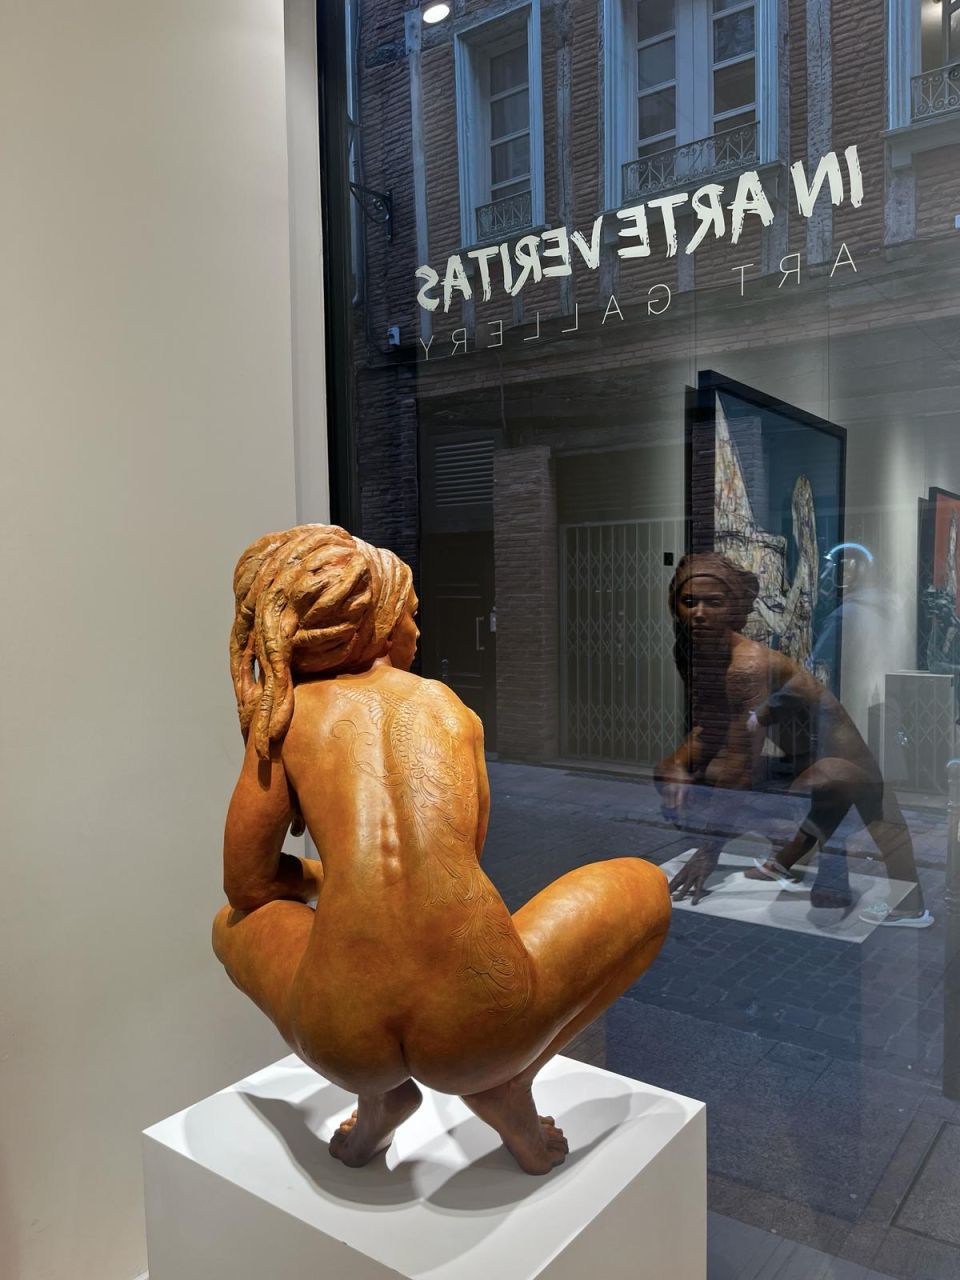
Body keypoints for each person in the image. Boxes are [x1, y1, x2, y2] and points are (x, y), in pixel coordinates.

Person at [213, 525, 671, 1175]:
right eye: (412, 614)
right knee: (646, 886)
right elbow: (456, 864)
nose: (418, 631)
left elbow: (247, 886)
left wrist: (328, 879)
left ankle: (379, 1096)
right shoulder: (447, 707)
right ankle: (508, 1080)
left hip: (340, 1035)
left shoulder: (283, 720)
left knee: (230, 927)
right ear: (380, 624)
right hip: (483, 1027)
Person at [657, 553, 932, 927]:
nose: (700, 614)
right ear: (675, 604)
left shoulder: (746, 666)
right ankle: (789, 862)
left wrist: (709, 850)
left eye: (714, 602)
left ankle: (896, 901)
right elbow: (712, 727)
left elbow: (740, 765)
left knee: (855, 804)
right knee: (692, 775)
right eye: (689, 602)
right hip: (800, 756)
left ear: (735, 608)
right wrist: (676, 767)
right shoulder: (689, 652)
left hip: (836, 758)